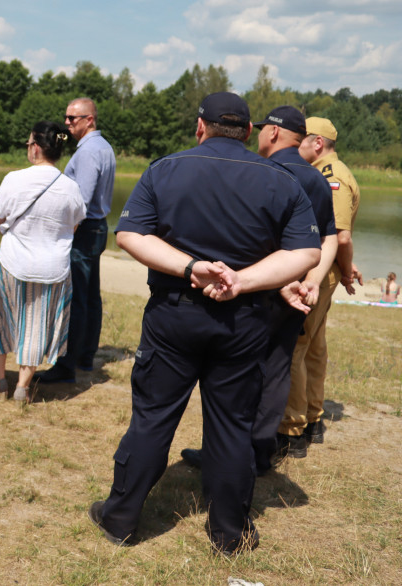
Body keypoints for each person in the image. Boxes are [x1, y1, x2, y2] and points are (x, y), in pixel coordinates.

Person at [88, 92, 320, 555]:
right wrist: (244, 281)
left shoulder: (164, 169)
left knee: (153, 418)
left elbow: (131, 233)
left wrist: (190, 268)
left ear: (200, 126)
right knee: (233, 426)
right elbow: (306, 253)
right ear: (250, 132)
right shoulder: (282, 180)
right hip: (245, 320)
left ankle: (120, 518)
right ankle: (230, 534)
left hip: (175, 314)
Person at [180, 105, 337, 475]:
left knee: (238, 373)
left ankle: (225, 455)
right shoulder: (316, 178)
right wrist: (311, 280)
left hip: (258, 290)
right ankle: (260, 454)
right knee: (278, 369)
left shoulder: (267, 172)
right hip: (296, 290)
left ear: (271, 133)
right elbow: (328, 238)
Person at [0, 121, 85, 403]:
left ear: (35, 148)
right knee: (37, 325)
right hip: (53, 268)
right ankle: (22, 386)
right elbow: (74, 227)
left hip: (12, 262)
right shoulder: (71, 188)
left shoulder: (15, 179)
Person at [277, 117, 362, 452]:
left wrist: (343, 270)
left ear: (317, 142)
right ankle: (312, 418)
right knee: (314, 347)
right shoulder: (330, 172)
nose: (296, 149)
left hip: (318, 275)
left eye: (301, 141)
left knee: (297, 348)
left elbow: (340, 236)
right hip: (324, 274)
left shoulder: (332, 177)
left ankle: (292, 429)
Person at [36, 97, 114, 382]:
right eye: (66, 118)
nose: (67, 123)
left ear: (89, 120)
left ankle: (67, 365)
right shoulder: (101, 147)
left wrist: (64, 229)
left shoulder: (90, 152)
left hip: (84, 229)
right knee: (90, 295)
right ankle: (85, 356)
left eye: (73, 118)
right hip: (96, 227)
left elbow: (80, 200)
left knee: (78, 298)